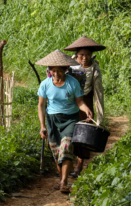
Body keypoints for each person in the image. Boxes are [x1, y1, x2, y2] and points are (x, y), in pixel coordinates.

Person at [36, 50, 93, 193]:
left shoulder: (73, 83)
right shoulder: (45, 84)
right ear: (49, 71)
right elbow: (41, 105)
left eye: (59, 71)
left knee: (66, 147)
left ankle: (63, 182)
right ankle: (62, 178)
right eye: (53, 71)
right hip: (52, 120)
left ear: (65, 70)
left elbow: (79, 102)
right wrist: (42, 126)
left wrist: (86, 110)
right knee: (56, 151)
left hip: (70, 119)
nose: (56, 74)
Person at [64, 35, 106, 178]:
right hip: (70, 102)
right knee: (69, 134)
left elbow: (99, 94)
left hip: (86, 102)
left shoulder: (95, 69)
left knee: (83, 134)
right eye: (81, 55)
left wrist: (100, 119)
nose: (84, 58)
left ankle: (79, 166)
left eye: (87, 55)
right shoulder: (68, 66)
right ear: (76, 55)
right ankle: (66, 165)